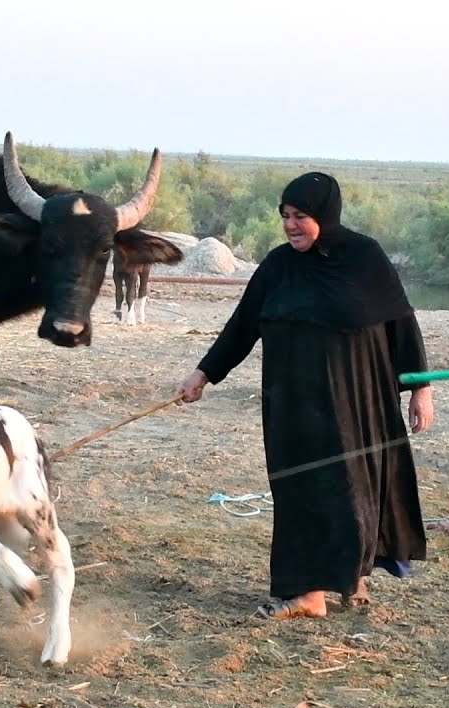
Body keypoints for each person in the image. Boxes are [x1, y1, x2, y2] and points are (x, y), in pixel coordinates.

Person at [176, 171, 435, 619]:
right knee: (302, 489)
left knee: (355, 486)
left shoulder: (364, 257)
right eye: (286, 216)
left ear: (326, 215)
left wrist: (420, 390)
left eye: (301, 216)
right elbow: (242, 328)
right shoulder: (278, 267)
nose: (291, 225)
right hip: (292, 406)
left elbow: (401, 325)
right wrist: (203, 374)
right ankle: (309, 592)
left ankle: (350, 577)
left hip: (357, 400)